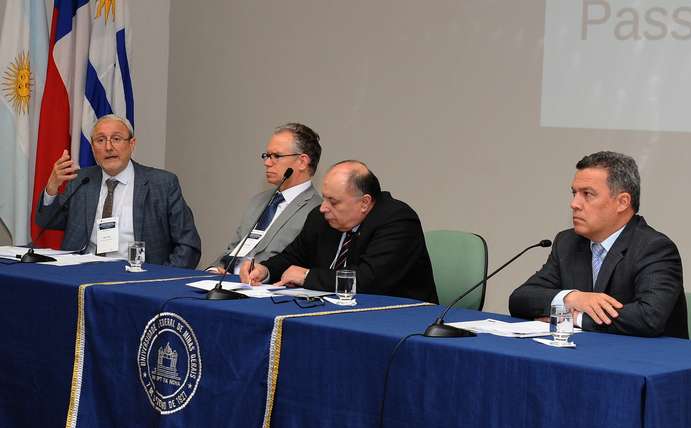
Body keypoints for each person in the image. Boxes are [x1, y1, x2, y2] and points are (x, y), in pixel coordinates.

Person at [509, 151, 687, 338]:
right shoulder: (568, 243)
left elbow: (648, 317)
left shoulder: (654, 248)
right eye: (574, 193)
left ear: (622, 202)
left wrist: (573, 317)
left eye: (587, 194)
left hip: (650, 362)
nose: (574, 204)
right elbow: (520, 299)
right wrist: (572, 298)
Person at [247, 160, 438, 304]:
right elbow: (294, 255)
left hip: (398, 317)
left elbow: (368, 281)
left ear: (364, 203)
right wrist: (266, 270)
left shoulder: (397, 220)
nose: (323, 208)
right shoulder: (321, 217)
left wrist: (307, 277)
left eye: (334, 201)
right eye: (324, 198)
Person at [36, 114, 201, 268]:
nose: (108, 147)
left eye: (116, 139)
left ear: (132, 144)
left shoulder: (162, 184)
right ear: (93, 148)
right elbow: (47, 222)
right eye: (100, 140)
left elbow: (188, 245)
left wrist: (161, 281)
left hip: (137, 278)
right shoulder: (81, 180)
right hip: (83, 275)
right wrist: (52, 187)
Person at [207, 123, 322, 281]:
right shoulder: (258, 201)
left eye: (276, 156)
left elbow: (296, 263)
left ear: (302, 162)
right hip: (226, 281)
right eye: (266, 156)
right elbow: (233, 248)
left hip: (262, 287)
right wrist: (214, 270)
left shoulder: (318, 210)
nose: (267, 163)